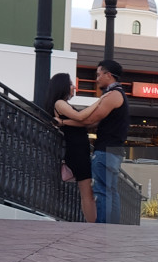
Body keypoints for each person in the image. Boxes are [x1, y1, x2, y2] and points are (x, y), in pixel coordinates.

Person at [57, 60, 129, 224]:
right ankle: (112, 228)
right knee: (110, 191)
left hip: (106, 150)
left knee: (103, 191)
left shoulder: (114, 95)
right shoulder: (116, 94)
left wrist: (63, 122)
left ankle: (102, 229)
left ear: (108, 75)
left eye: (98, 74)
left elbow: (90, 120)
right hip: (114, 150)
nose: (96, 79)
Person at [48, 73, 98, 223]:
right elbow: (82, 118)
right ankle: (93, 225)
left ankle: (93, 224)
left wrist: (64, 123)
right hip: (76, 151)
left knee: (87, 193)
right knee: (87, 194)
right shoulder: (59, 103)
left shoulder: (62, 104)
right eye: (71, 84)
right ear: (62, 86)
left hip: (79, 150)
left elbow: (85, 122)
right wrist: (100, 102)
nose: (74, 87)